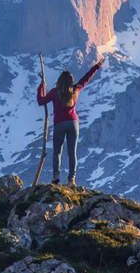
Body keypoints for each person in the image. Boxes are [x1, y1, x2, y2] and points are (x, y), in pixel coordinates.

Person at [37, 57, 105, 185]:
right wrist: (97, 66)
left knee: (57, 152)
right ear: (71, 81)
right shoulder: (76, 89)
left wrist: (41, 86)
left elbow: (41, 101)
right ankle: (71, 180)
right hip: (73, 123)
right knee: (72, 153)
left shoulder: (54, 92)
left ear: (59, 81)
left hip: (59, 124)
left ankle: (56, 178)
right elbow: (86, 78)